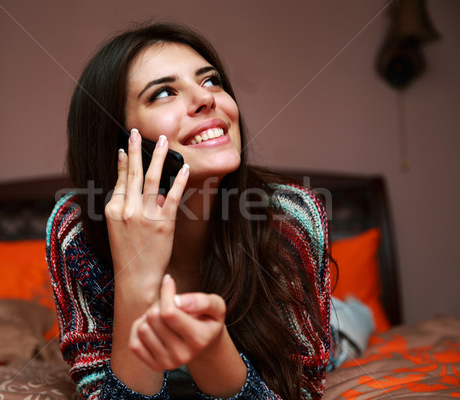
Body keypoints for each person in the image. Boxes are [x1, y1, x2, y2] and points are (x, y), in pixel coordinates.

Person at [46, 22, 332, 400]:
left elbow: (302, 391)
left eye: (211, 81)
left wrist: (210, 350)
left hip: (312, 322)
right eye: (163, 92)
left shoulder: (289, 217)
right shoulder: (75, 232)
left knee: (352, 328)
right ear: (117, 141)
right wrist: (136, 279)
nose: (206, 98)